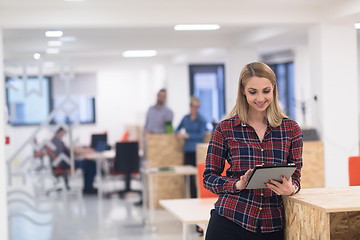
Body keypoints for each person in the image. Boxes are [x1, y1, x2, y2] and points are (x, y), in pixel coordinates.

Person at [203, 62, 303, 240]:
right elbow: (209, 177)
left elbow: (296, 176)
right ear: (243, 90)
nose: (260, 98)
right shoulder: (225, 129)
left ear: (274, 89)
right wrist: (236, 185)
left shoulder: (290, 129)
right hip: (230, 220)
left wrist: (291, 188)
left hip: (272, 225)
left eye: (266, 91)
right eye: (252, 92)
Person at [175, 96, 207, 198]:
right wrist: (179, 134)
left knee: (197, 176)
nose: (195, 109)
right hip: (187, 150)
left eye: (197, 107)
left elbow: (201, 135)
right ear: (190, 106)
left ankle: (195, 197)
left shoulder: (202, 120)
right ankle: (189, 196)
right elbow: (177, 129)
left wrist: (188, 136)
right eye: (193, 106)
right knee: (187, 176)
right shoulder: (185, 118)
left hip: (197, 152)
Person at [51, 127, 98, 194]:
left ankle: (88, 187)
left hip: (65, 161)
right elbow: (65, 153)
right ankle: (88, 188)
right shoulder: (56, 141)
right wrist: (79, 151)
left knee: (89, 163)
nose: (64, 134)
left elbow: (66, 152)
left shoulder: (56, 140)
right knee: (91, 164)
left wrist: (79, 151)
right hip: (66, 163)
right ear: (60, 131)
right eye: (64, 132)